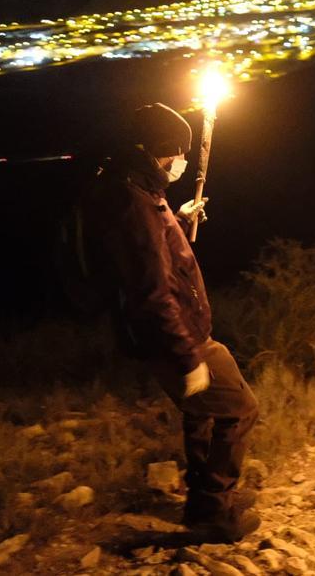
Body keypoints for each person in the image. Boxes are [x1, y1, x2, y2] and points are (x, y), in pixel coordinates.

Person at [85, 103, 260, 542]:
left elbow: (150, 252)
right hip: (175, 336)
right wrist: (187, 357)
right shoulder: (134, 202)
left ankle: (205, 501)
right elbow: (151, 291)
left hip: (177, 330)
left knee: (201, 413)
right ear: (158, 152)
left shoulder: (136, 191)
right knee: (240, 410)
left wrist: (179, 218)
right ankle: (213, 515)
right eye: (175, 154)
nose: (180, 161)